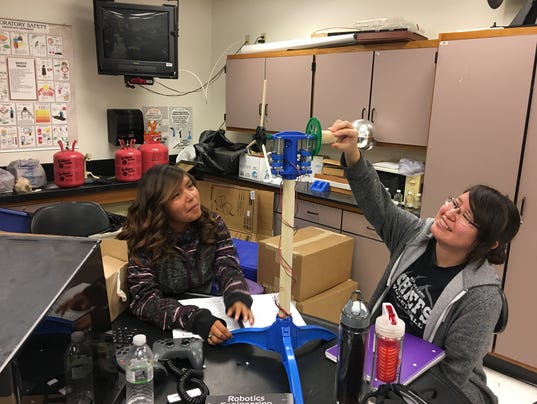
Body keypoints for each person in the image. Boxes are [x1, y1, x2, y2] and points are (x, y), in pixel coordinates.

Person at [328, 119, 521, 404]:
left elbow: (452, 375)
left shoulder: (482, 297)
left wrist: (399, 395)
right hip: (379, 365)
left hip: (434, 391)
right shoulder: (416, 236)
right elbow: (378, 205)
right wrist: (353, 156)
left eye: (466, 217)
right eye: (455, 203)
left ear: (488, 243)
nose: (450, 212)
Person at [117, 164, 254, 345]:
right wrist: (194, 319)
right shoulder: (144, 240)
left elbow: (227, 264)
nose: (191, 197)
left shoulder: (213, 224)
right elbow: (144, 300)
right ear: (159, 206)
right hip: (162, 327)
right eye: (176, 195)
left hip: (206, 310)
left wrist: (236, 294)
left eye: (190, 186)